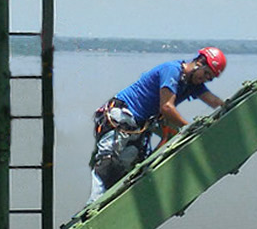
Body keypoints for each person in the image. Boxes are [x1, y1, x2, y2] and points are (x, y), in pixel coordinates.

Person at [89, 47, 228, 197]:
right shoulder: (172, 71)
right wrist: (188, 127)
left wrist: (228, 106)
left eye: (210, 78)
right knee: (106, 164)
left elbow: (213, 100)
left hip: (138, 126)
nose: (205, 79)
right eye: (206, 73)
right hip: (121, 117)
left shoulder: (192, 84)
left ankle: (105, 206)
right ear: (199, 63)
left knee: (122, 172)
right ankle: (91, 210)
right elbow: (167, 107)